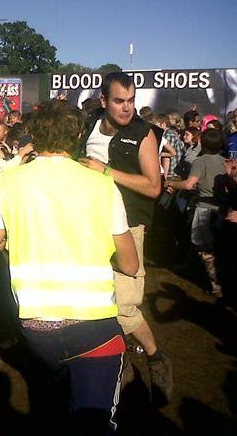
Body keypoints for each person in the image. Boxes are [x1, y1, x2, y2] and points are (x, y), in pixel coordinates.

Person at [0, 100, 138, 435]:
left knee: (55, 410)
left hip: (37, 326)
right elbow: (130, 265)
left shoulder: (9, 183)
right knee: (92, 423)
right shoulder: (102, 185)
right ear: (77, 133)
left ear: (35, 133)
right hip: (94, 324)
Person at [77, 72, 171, 403]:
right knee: (99, 300)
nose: (127, 108)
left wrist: (104, 170)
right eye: (119, 101)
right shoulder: (89, 124)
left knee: (126, 306)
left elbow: (154, 186)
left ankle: (156, 357)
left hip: (128, 225)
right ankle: (122, 361)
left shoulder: (142, 133)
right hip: (90, 223)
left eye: (131, 101)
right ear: (104, 101)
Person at [166, 129, 229, 297]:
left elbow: (189, 185)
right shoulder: (226, 161)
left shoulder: (200, 161)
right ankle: (190, 267)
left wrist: (170, 183)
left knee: (204, 247)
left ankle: (216, 285)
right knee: (214, 246)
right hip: (222, 210)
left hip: (204, 210)